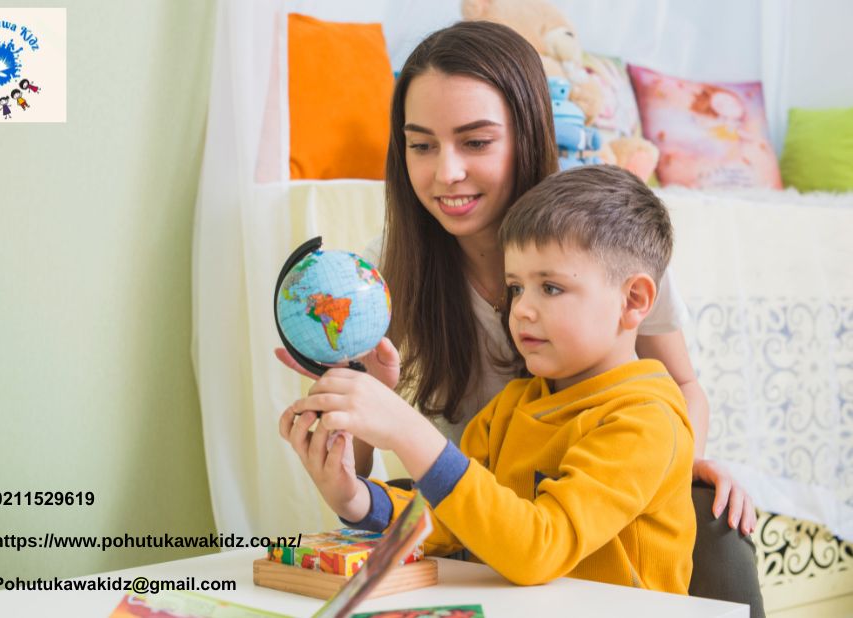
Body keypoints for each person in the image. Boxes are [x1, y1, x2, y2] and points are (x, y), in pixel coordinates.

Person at [275, 20, 763, 613]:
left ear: (526, 134)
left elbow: (675, 390)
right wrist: (352, 473)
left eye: (476, 142)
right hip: (482, 510)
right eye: (421, 145)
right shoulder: (384, 284)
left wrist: (669, 462)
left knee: (715, 521)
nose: (446, 172)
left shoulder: (605, 245)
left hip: (559, 531)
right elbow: (454, 513)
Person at [280, 165, 696, 591]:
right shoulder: (512, 406)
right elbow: (452, 519)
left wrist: (409, 432)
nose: (522, 309)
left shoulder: (646, 422)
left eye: (550, 288)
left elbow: (538, 549)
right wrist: (355, 498)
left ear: (634, 300)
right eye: (516, 287)